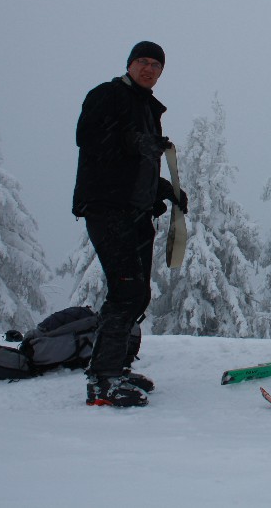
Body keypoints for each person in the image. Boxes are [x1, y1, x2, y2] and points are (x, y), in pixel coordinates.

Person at [73, 40, 187, 407]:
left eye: (156, 65)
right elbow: (89, 138)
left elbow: (136, 163)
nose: (149, 69)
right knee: (126, 292)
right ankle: (102, 380)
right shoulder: (107, 95)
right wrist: (137, 141)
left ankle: (117, 367)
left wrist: (164, 189)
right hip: (108, 208)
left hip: (136, 211)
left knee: (138, 294)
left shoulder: (146, 108)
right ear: (130, 64)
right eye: (143, 62)